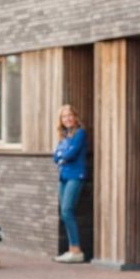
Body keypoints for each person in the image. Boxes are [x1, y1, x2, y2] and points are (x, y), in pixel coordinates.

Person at [53, 105, 87, 263]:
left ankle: (76, 250)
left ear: (75, 116)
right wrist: (61, 156)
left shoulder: (80, 133)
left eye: (70, 115)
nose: (67, 118)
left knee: (67, 210)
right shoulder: (64, 135)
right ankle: (71, 249)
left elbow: (72, 153)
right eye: (64, 116)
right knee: (64, 212)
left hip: (76, 175)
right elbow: (56, 156)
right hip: (63, 177)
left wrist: (62, 156)